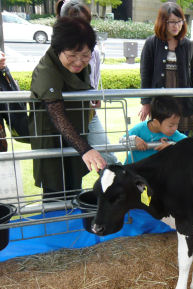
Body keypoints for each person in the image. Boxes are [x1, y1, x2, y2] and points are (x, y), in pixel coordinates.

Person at [29, 17, 106, 200]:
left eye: (86, 55)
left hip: (75, 135)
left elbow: (83, 83)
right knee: (55, 190)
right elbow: (57, 116)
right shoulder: (46, 70)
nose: (79, 62)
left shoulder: (80, 65)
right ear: (59, 49)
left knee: (74, 186)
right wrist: (86, 149)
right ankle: (55, 225)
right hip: (52, 139)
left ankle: (72, 226)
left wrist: (89, 97)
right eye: (72, 55)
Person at [56, 0, 119, 165]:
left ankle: (119, 188)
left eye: (85, 24)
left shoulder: (94, 50)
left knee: (108, 160)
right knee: (64, 166)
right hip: (62, 115)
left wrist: (94, 94)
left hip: (87, 113)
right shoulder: (56, 50)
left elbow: (94, 76)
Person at [139, 2, 193, 136]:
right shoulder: (151, 43)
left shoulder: (189, 45)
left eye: (180, 21)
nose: (176, 25)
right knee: (159, 138)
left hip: (183, 103)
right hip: (160, 103)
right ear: (162, 22)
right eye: (172, 22)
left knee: (181, 140)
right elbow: (145, 75)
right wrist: (145, 102)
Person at [122, 96, 187, 164]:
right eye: (171, 125)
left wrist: (172, 147)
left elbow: (188, 142)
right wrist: (134, 139)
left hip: (153, 170)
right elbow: (122, 139)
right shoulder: (140, 129)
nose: (175, 128)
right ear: (156, 123)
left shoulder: (173, 133)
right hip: (133, 169)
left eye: (177, 124)